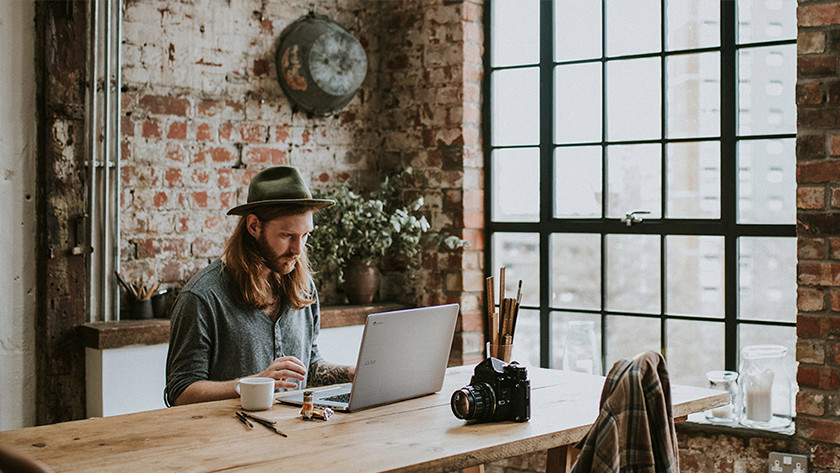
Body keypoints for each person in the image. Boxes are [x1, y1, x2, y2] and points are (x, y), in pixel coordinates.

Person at [164, 166, 355, 406]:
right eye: (287, 235)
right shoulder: (201, 297)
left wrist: (353, 373)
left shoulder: (304, 286)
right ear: (254, 226)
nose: (298, 249)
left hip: (296, 438)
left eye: (305, 235)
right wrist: (253, 383)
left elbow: (310, 367)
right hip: (227, 440)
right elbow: (180, 393)